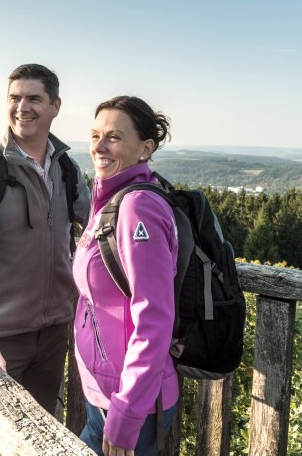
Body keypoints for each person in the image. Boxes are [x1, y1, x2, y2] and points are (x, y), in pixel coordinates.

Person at [0, 63, 90, 415]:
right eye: (14, 97)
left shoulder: (66, 169)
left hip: (55, 333)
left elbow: (100, 226)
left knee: (40, 433)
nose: (22, 107)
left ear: (56, 106)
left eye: (34, 98)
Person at [73, 96, 179, 455]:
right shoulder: (109, 199)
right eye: (94, 135)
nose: (99, 147)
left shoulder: (137, 208)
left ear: (145, 148)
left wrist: (127, 413)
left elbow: (154, 319)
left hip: (131, 403)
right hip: (105, 394)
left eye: (114, 138)